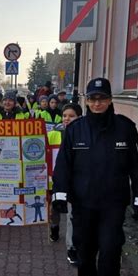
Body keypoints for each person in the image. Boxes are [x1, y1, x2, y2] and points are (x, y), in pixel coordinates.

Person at [52, 77, 138, 276]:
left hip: (112, 205)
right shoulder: (75, 129)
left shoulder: (125, 128)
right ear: (87, 101)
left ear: (110, 100)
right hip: (83, 205)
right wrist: (60, 195)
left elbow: (137, 166)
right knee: (85, 253)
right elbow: (63, 165)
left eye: (102, 98)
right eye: (93, 99)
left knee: (110, 252)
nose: (97, 103)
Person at [48, 103, 83, 267]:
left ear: (79, 117)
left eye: (72, 116)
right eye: (65, 116)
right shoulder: (54, 133)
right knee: (54, 209)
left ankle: (72, 248)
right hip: (55, 180)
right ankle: (54, 227)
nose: (67, 119)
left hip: (75, 182)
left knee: (72, 215)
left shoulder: (84, 135)